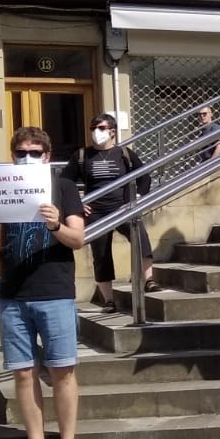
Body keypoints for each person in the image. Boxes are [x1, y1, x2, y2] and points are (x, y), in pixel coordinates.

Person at [0, 125, 89, 439]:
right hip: (13, 295)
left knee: (63, 371)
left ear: (47, 156)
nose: (28, 157)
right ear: (13, 155)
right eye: (22, 152)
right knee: (23, 373)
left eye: (36, 152)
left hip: (55, 292)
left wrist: (55, 226)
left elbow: (78, 239)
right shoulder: (0, 188)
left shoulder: (62, 188)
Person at [63, 113, 159, 314]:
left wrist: (138, 197)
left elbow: (144, 176)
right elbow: (65, 183)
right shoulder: (81, 156)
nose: (96, 132)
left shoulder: (124, 153)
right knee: (101, 253)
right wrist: (77, 203)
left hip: (123, 208)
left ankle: (149, 280)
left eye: (101, 128)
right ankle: (109, 300)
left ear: (112, 131)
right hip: (95, 211)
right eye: (93, 128)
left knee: (140, 237)